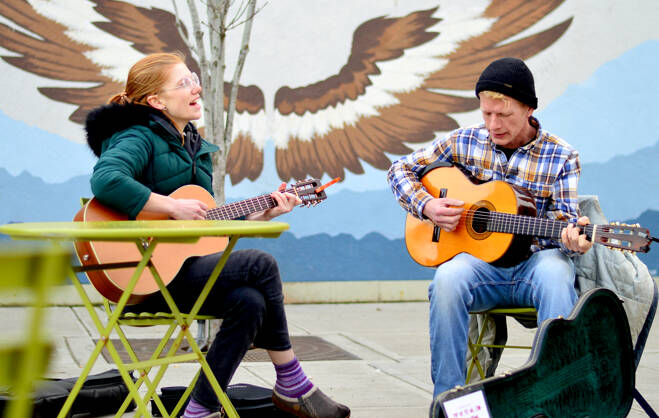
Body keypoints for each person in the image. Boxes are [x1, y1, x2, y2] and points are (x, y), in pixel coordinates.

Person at [84, 52, 350, 418]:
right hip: (141, 275)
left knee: (250, 301)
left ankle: (200, 409)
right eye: (183, 83)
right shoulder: (138, 136)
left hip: (182, 272)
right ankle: (291, 379)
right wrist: (171, 207)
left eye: (193, 78)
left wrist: (264, 211)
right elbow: (106, 179)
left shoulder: (194, 146)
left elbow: (207, 230)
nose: (196, 87)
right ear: (156, 101)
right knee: (261, 262)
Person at [387, 57, 593, 397]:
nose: (493, 124)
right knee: (447, 279)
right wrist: (427, 206)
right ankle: (450, 400)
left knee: (558, 275)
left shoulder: (562, 156)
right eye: (486, 114)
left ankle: (556, 396)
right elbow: (399, 169)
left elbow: (565, 219)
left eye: (504, 115)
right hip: (479, 265)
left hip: (535, 262)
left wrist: (574, 238)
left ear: (528, 108)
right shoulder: (465, 141)